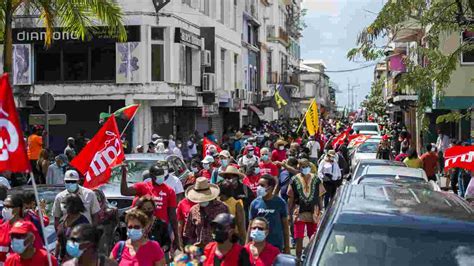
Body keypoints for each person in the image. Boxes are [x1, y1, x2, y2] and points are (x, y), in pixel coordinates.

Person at [120, 164, 180, 250]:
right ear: (152, 176)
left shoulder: (169, 191)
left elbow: (172, 216)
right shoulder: (143, 186)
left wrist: (176, 238)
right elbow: (124, 192)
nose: (161, 178)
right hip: (141, 228)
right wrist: (124, 174)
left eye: (162, 175)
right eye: (158, 176)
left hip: (159, 230)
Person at [288, 159, 323, 260]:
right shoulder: (294, 179)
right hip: (299, 211)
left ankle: (311, 258)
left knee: (313, 237)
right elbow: (291, 197)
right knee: (299, 237)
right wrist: (288, 213)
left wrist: (321, 210)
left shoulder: (316, 179)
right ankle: (298, 259)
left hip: (314, 212)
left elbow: (320, 196)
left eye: (306, 166)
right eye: (302, 166)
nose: (305, 168)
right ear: (299, 167)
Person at [248, 175, 290, 254]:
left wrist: (287, 247)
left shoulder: (280, 203)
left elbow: (285, 226)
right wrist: (247, 244)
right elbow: (250, 225)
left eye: (262, 185)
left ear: (270, 188)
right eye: (258, 185)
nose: (259, 188)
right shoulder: (255, 203)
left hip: (276, 244)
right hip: (259, 244)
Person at [183, 177, 229, 249]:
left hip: (219, 249)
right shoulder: (193, 210)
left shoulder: (222, 208)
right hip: (200, 250)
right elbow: (188, 233)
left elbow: (228, 230)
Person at [0, 194, 44, 264]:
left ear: (18, 209)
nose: (4, 209)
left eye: (8, 206)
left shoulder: (28, 227)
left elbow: (38, 251)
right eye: (4, 206)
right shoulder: (1, 227)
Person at [56, 194, 90, 263]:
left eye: (65, 204)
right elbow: (59, 241)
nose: (62, 206)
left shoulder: (83, 222)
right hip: (62, 260)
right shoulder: (63, 220)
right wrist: (55, 256)